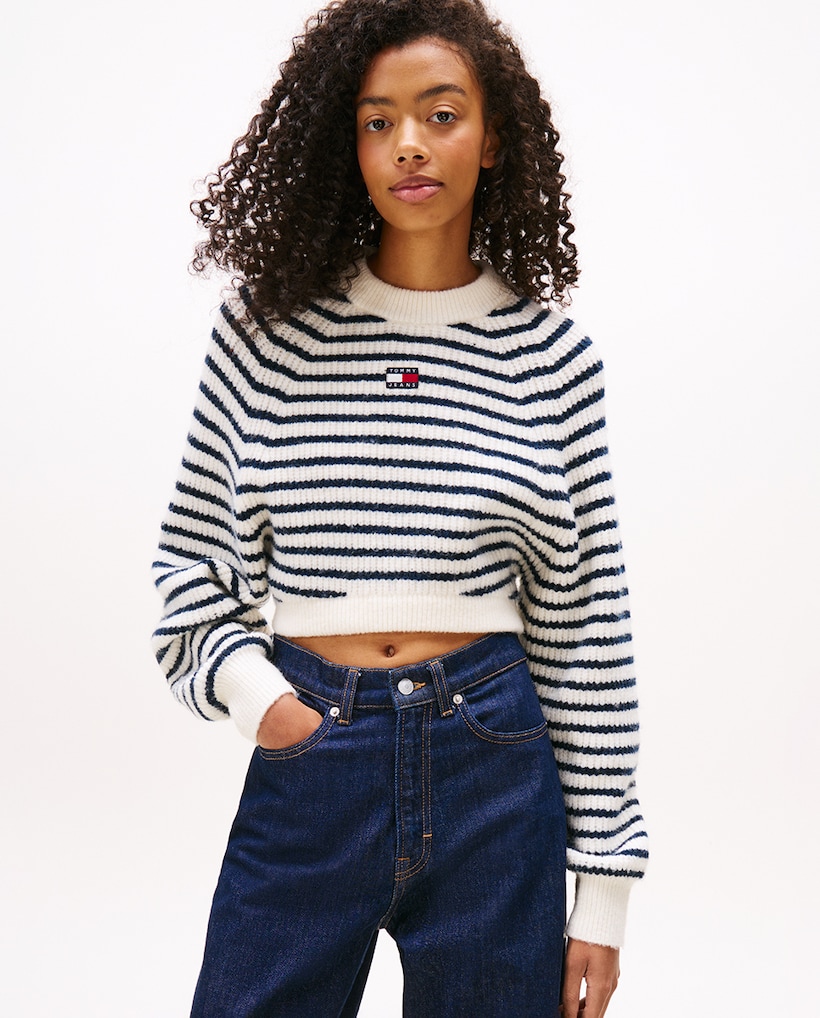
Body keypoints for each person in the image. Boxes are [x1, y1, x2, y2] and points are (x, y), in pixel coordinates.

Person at [151, 1, 648, 1015]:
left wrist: (603, 892)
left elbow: (586, 629)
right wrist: (267, 706)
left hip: (493, 765)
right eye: (377, 121)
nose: (408, 143)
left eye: (440, 113)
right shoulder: (268, 336)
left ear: (494, 137)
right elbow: (189, 574)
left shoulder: (553, 362)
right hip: (311, 753)